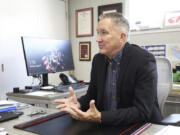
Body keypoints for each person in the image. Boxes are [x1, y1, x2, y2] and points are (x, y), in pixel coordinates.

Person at [54, 12, 162, 126]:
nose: (98, 39)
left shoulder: (143, 60)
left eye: (104, 33)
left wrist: (101, 117)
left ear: (122, 37)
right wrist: (78, 104)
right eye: (98, 33)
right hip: (108, 125)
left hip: (140, 126)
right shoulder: (98, 60)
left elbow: (142, 112)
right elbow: (92, 96)